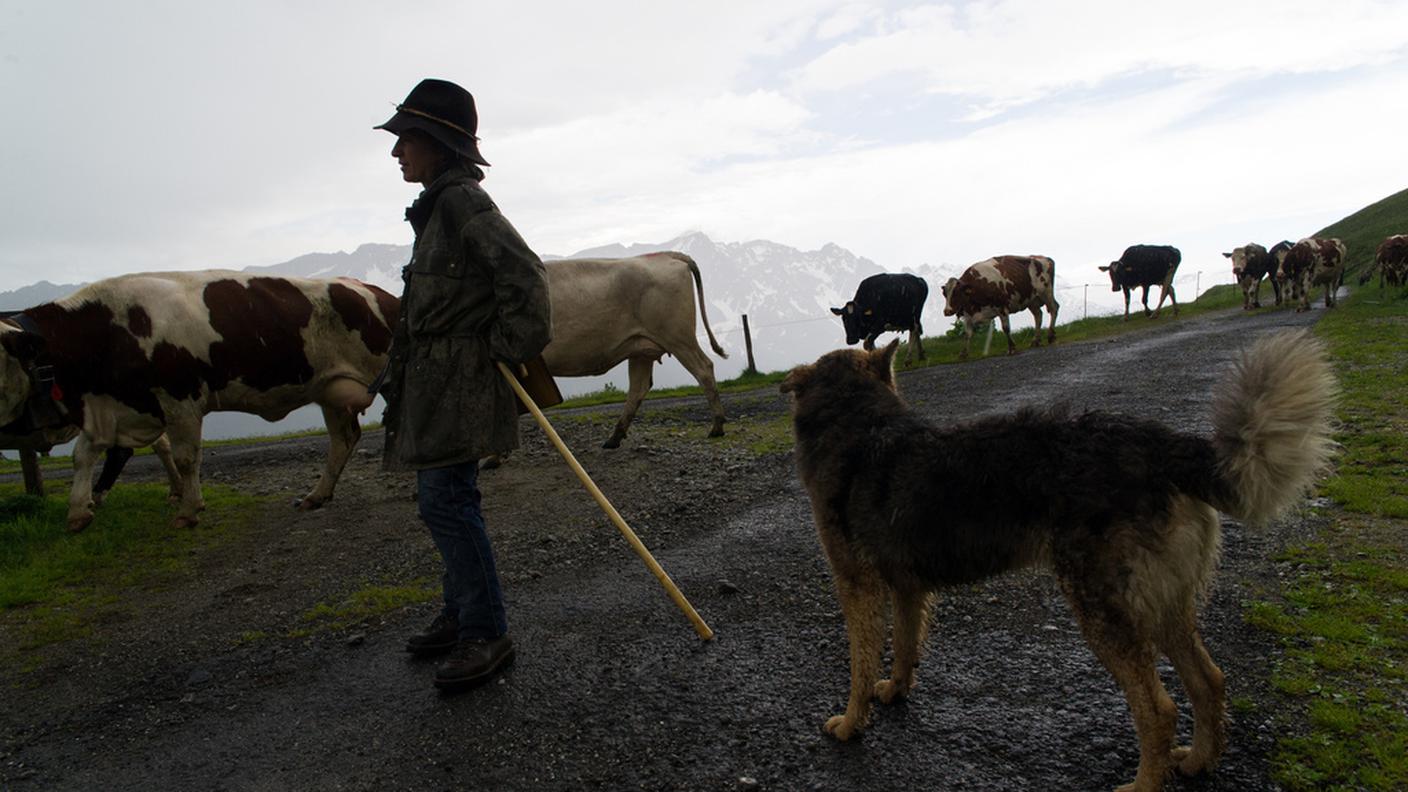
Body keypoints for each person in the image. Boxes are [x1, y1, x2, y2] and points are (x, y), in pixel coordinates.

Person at [374, 78, 552, 691]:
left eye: (406, 140)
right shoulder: (436, 207)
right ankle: (460, 617)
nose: (397, 152)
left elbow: (527, 282)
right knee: (448, 503)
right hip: (436, 385)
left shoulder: (463, 205)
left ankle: (485, 632)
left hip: (460, 385)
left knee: (445, 504)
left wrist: (496, 351)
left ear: (438, 145)